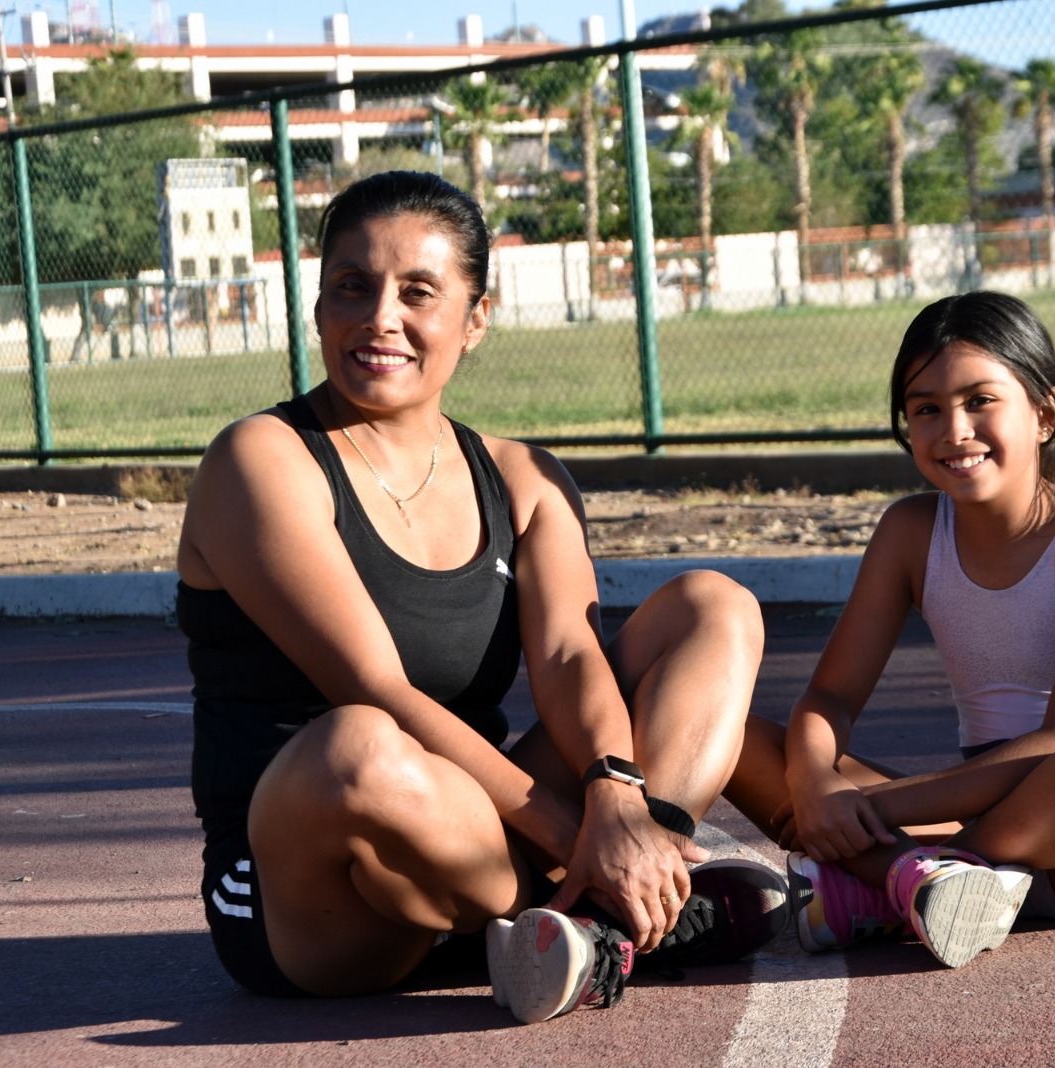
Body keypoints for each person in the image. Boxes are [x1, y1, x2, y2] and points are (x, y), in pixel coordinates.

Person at [177, 170, 785, 1023]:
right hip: (310, 888)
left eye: (417, 292)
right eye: (351, 287)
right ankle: (618, 902)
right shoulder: (260, 460)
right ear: (318, 310)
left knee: (712, 605)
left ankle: (601, 918)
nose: (379, 316)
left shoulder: (524, 479)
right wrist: (590, 839)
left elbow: (571, 658)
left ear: (475, 319)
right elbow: (376, 689)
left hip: (479, 830)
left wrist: (617, 796)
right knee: (357, 745)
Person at [724, 290, 1055, 969]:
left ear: (1045, 413)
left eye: (980, 401)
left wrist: (871, 808)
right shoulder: (910, 533)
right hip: (974, 823)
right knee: (732, 738)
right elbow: (829, 700)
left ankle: (899, 880)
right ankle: (927, 883)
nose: (954, 430)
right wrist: (817, 784)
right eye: (927, 409)